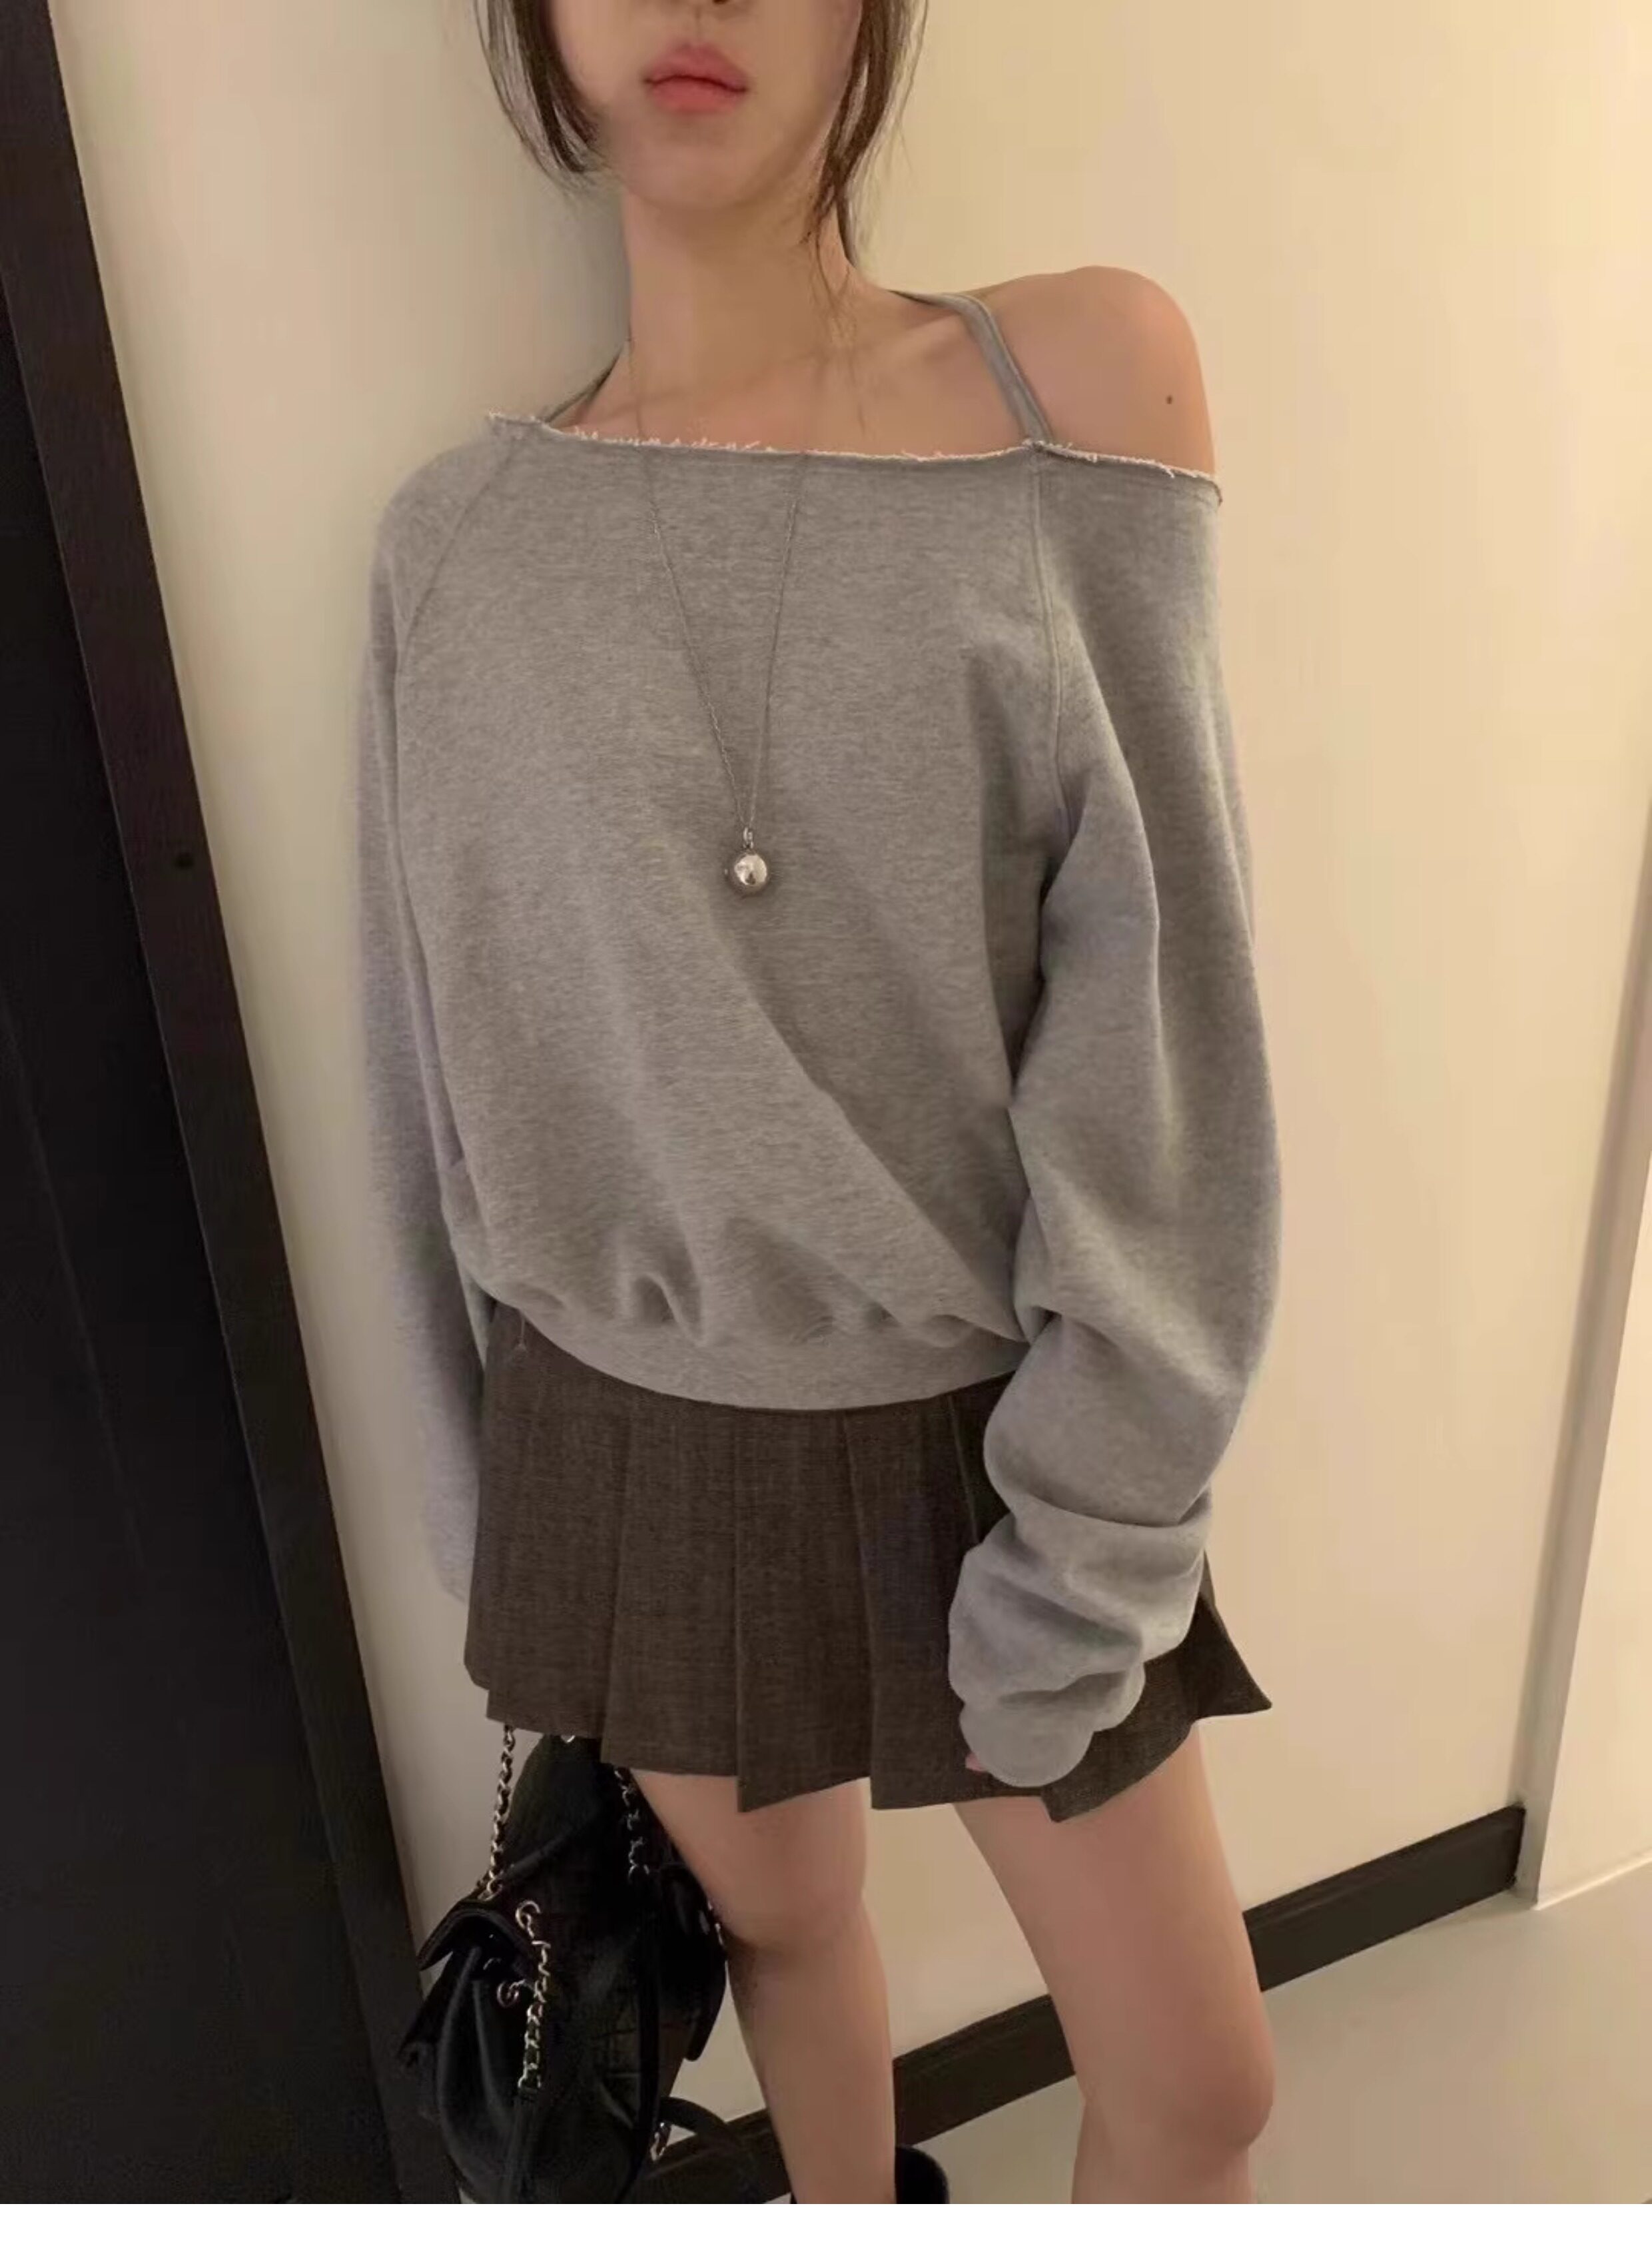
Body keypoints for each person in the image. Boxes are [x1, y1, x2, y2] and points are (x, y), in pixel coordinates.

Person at [356, 0, 1283, 2206]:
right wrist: (495, 1524)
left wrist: (1101, 1512)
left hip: (998, 1419)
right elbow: (436, 1095)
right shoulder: (459, 541)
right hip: (634, 1430)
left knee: (1197, 2084)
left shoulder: (1078, 391)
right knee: (790, 1930)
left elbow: (1162, 1021)